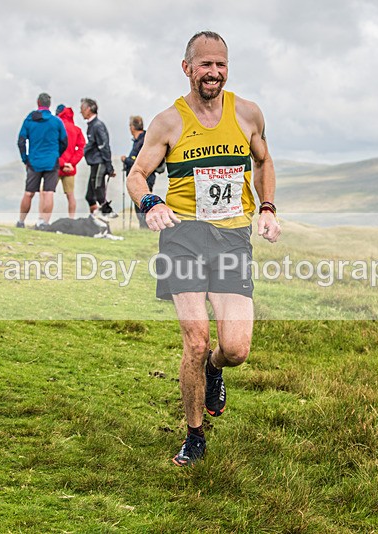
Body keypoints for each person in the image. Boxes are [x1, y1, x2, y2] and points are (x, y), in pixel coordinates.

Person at [126, 31, 281, 466]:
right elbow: (137, 175)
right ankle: (194, 435)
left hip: (233, 238)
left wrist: (267, 206)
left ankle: (215, 369)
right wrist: (151, 202)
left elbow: (263, 161)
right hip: (184, 237)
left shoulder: (248, 114)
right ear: (187, 68)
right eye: (205, 65)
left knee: (236, 350)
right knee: (196, 341)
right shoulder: (168, 122)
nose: (213, 72)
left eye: (221, 64)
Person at [16, 93, 68, 229]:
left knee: (29, 193)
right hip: (51, 161)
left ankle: (21, 221)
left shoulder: (29, 120)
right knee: (49, 192)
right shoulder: (56, 121)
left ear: (38, 102)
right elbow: (64, 141)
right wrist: (56, 154)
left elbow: (21, 141)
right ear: (49, 105)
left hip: (34, 161)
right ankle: (45, 223)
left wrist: (25, 158)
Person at [80, 98, 116, 216]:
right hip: (94, 163)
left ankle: (107, 219)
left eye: (82, 109)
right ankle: (94, 221)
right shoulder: (92, 125)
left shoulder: (97, 125)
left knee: (99, 194)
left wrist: (109, 167)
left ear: (88, 109)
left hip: (99, 163)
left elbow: (104, 146)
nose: (80, 112)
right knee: (90, 196)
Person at [121, 115, 158, 228]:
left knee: (142, 203)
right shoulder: (144, 139)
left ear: (132, 127)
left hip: (144, 177)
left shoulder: (142, 141)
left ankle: (146, 227)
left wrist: (125, 160)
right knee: (142, 203)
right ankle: (144, 227)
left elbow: (139, 162)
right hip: (147, 176)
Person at [56, 104, 86, 218]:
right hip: (70, 168)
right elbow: (82, 148)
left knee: (46, 193)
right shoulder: (76, 130)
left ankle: (44, 220)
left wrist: (61, 162)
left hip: (56, 166)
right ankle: (71, 219)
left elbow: (52, 147)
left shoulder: (57, 127)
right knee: (70, 195)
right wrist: (71, 163)